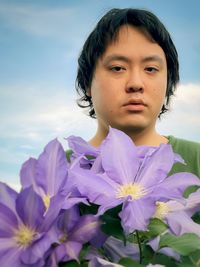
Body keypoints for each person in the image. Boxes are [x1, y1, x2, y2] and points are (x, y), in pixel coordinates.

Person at [75, 8, 200, 177]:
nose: (135, 83)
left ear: (168, 82)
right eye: (118, 68)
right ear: (87, 82)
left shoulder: (196, 159)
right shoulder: (57, 171)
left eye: (150, 69)